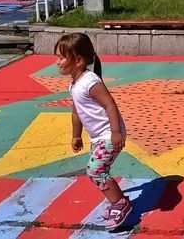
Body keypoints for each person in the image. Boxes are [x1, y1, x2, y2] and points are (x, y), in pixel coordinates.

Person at [55, 33, 131, 231]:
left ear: (78, 60)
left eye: (61, 57)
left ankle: (120, 204)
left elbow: (110, 104)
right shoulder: (75, 84)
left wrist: (116, 133)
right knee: (99, 170)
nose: (57, 62)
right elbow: (76, 112)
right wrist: (76, 135)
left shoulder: (90, 81)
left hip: (109, 134)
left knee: (95, 170)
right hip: (97, 137)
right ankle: (118, 201)